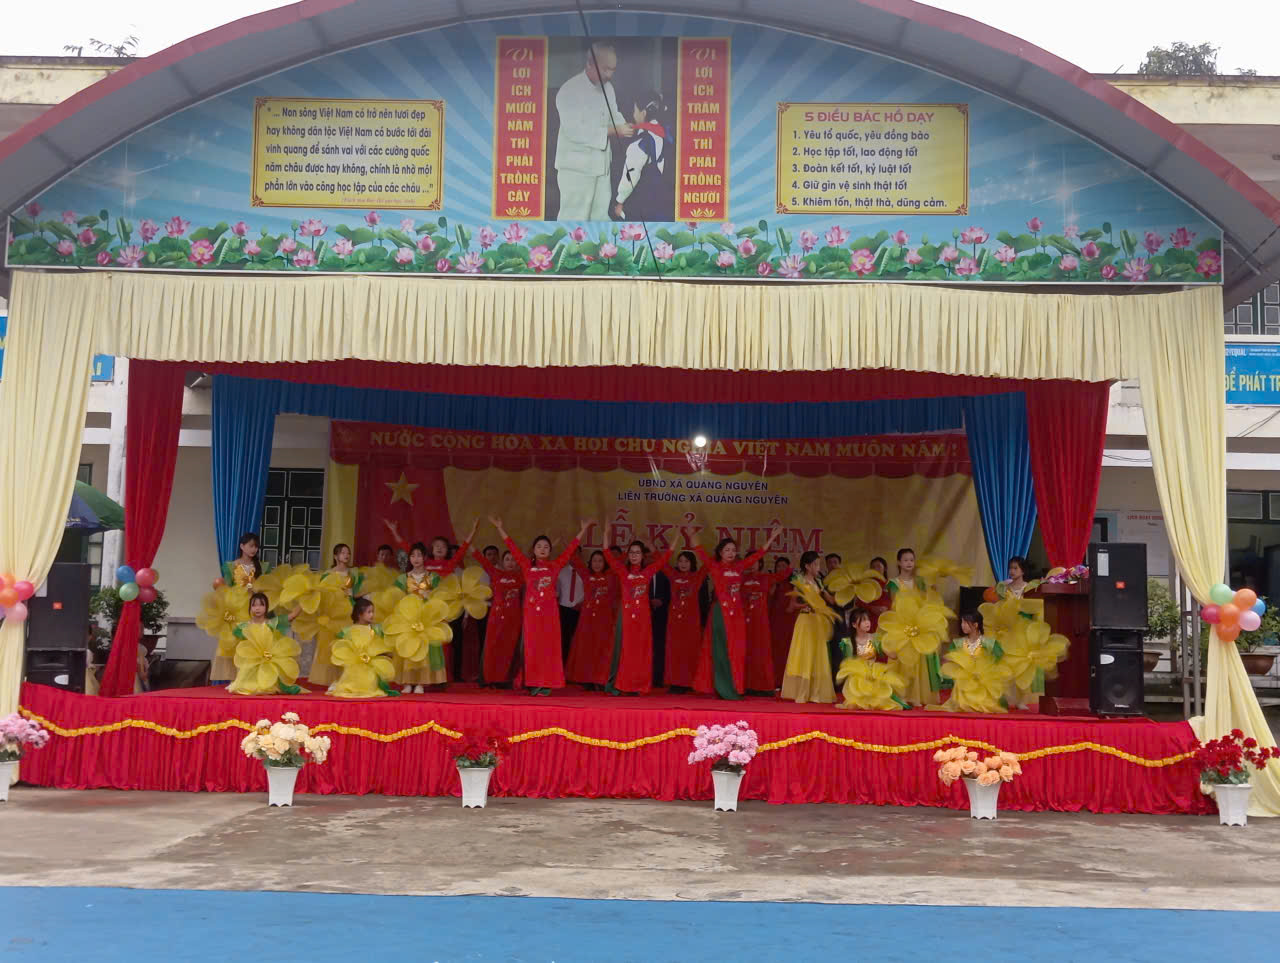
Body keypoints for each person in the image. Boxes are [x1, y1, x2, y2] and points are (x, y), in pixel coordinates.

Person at [491, 516, 591, 695]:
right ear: (534, 550)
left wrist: (583, 530)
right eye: (539, 546)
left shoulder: (554, 566)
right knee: (533, 647)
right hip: (531, 614)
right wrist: (500, 528)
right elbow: (512, 548)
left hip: (550, 614)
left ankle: (547, 682)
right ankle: (533, 682)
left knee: (549, 648)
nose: (542, 549)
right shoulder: (526, 565)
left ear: (550, 550)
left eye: (546, 547)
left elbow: (570, 550)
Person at [692, 526, 784, 700]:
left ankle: (735, 686)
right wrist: (692, 535)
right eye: (727, 550)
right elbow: (699, 550)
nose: (731, 553)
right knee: (721, 651)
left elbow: (759, 554)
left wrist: (772, 537)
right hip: (721, 613)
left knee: (736, 651)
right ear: (720, 552)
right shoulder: (714, 566)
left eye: (733, 550)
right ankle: (722, 688)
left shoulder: (739, 567)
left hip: (737, 614)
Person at [554, 41, 632, 220]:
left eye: (613, 70)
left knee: (600, 218)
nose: (609, 75)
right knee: (574, 218)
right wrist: (615, 130)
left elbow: (613, 114)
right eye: (605, 69)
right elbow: (576, 131)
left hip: (601, 167)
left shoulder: (608, 88)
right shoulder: (569, 90)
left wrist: (627, 126)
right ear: (589, 63)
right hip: (576, 170)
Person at [603, 539, 672, 695]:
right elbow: (607, 553)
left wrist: (672, 541)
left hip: (642, 619)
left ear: (642, 556)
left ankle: (638, 685)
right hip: (626, 617)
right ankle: (622, 684)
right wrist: (606, 533)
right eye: (631, 552)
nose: (634, 555)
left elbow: (665, 558)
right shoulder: (622, 571)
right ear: (627, 555)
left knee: (640, 652)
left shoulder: (647, 572)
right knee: (625, 650)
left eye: (637, 552)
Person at [780, 552, 838, 704]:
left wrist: (845, 590)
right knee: (805, 655)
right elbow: (792, 605)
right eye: (816, 564)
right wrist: (807, 605)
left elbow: (831, 600)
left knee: (818, 656)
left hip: (817, 622)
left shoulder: (819, 582)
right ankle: (802, 692)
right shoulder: (799, 580)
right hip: (805, 621)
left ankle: (816, 693)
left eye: (819, 564)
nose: (818, 567)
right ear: (807, 566)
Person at [611, 90, 675, 222]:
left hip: (646, 205)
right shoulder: (665, 132)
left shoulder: (641, 142)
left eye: (635, 110)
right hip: (665, 201)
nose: (633, 114)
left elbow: (630, 176)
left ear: (643, 113)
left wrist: (620, 201)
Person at [935, 611, 1011, 714]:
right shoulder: (958, 643)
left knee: (986, 705)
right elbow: (952, 658)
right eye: (962, 622)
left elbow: (999, 660)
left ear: (975, 625)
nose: (962, 625)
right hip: (964, 681)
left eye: (966, 623)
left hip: (983, 680)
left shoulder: (989, 643)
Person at [226, 592, 301, 695]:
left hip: (269, 659)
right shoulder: (244, 626)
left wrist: (304, 602)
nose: (257, 608)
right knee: (246, 688)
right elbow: (234, 634)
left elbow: (292, 616)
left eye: (261, 605)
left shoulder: (271, 623)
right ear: (250, 608)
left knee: (268, 684)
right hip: (251, 662)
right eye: (254, 605)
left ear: (266, 607)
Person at [835, 608, 908, 711]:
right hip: (857, 679)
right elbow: (848, 664)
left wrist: (900, 640)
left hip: (874, 676)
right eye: (863, 620)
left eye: (868, 619)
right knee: (853, 705)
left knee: (881, 704)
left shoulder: (875, 638)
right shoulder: (847, 642)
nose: (867, 622)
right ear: (854, 625)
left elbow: (893, 656)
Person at [471, 547, 524, 687]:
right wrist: (469, 542)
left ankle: (505, 679)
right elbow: (480, 558)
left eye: (513, 560)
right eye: (507, 559)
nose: (510, 562)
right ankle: (489, 678)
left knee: (509, 649)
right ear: (502, 562)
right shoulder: (495, 573)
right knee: (492, 648)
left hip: (514, 619)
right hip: (496, 617)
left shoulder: (521, 577)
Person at [565, 550, 616, 688]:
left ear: (605, 563)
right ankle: (586, 679)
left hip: (604, 619)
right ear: (590, 563)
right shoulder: (586, 575)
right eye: (594, 561)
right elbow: (574, 559)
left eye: (600, 561)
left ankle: (600, 679)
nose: (597, 564)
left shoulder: (610, 575)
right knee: (587, 648)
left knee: (602, 649)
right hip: (588, 620)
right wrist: (568, 543)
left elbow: (619, 562)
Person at [330, 598, 396, 699]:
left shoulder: (375, 630)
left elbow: (380, 646)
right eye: (369, 612)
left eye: (373, 612)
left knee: (370, 682)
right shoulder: (348, 631)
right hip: (354, 666)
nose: (372, 615)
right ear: (359, 614)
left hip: (370, 665)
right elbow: (344, 647)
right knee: (351, 680)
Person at [662, 550, 709, 691]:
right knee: (674, 652)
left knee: (690, 652)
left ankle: (689, 683)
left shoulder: (697, 576)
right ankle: (674, 683)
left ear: (692, 563)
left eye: (686, 561)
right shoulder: (673, 575)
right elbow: (661, 563)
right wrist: (651, 546)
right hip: (674, 621)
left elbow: (708, 564)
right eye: (680, 561)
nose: (683, 564)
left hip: (691, 621)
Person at [742, 558, 780, 692]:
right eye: (749, 562)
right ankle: (745, 685)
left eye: (755, 562)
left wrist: (794, 561)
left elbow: (782, 574)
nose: (752, 565)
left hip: (760, 620)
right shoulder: (741, 578)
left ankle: (763, 686)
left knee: (761, 652)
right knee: (745, 652)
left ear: (760, 564)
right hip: (744, 620)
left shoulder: (765, 578)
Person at [768, 556, 797, 686]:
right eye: (779, 566)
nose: (781, 568)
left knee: (789, 649)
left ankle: (787, 682)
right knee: (775, 650)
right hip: (775, 620)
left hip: (789, 620)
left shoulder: (794, 583)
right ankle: (775, 680)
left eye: (784, 566)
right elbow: (768, 598)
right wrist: (774, 585)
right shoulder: (772, 582)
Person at [557, 547, 586, 662]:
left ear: (581, 555)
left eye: (576, 554)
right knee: (563, 639)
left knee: (578, 639)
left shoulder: (585, 572)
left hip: (579, 609)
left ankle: (575, 663)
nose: (574, 557)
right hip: (563, 609)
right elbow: (557, 592)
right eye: (571, 554)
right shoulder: (561, 571)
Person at [866, 556, 893, 630]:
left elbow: (896, 601)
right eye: (873, 567)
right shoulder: (866, 584)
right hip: (871, 619)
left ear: (885, 568)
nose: (875, 569)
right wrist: (872, 608)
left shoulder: (891, 583)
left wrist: (887, 608)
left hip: (887, 619)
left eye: (878, 566)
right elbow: (859, 603)